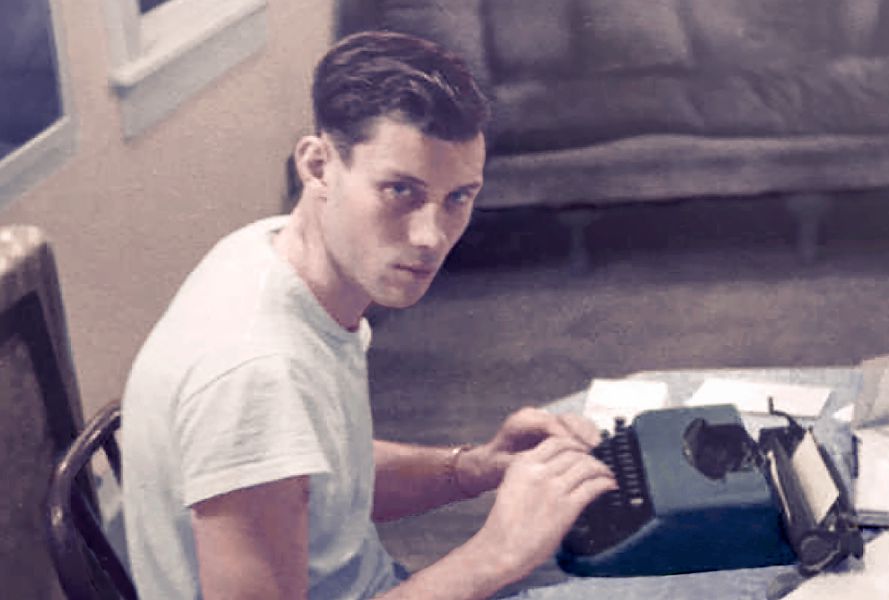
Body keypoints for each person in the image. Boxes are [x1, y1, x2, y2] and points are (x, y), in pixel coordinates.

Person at [120, 30, 616, 600]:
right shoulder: (256, 372)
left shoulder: (267, 251)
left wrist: (475, 467)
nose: (431, 237)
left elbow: (322, 479)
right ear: (317, 166)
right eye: (400, 191)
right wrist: (496, 555)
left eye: (458, 197)